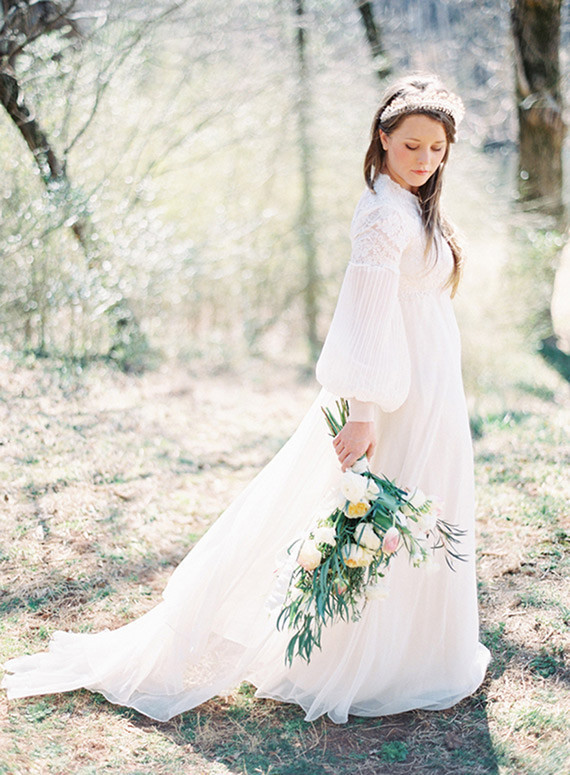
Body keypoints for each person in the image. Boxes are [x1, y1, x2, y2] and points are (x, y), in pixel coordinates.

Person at [2, 73, 490, 724]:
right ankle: (364, 661)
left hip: (431, 392)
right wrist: (365, 410)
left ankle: (413, 654)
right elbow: (364, 316)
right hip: (395, 400)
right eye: (412, 146)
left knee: (417, 517)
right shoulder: (382, 212)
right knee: (371, 520)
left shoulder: (408, 201)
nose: (426, 160)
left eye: (437, 149)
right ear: (382, 137)